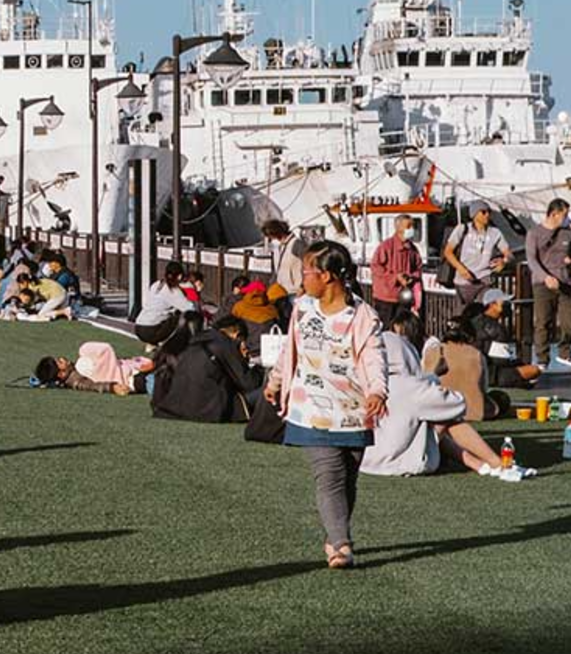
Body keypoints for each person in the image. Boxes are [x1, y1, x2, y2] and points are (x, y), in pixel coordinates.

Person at [265, 239, 389, 570]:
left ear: (329, 276)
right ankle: (342, 543)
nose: (302, 278)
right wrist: (276, 380)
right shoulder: (302, 307)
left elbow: (374, 356)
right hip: (311, 409)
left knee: (348, 477)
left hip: (353, 409)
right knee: (329, 474)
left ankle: (334, 533)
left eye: (307, 272)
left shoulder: (362, 315)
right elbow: (289, 348)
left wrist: (377, 391)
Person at [366, 312, 531, 481]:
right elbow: (458, 403)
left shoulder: (368, 384)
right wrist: (431, 380)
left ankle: (481, 465)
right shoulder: (412, 386)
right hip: (402, 461)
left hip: (370, 460)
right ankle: (497, 463)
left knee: (430, 421)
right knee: (445, 418)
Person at [150, 316, 260, 422]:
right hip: (210, 409)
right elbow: (249, 383)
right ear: (237, 334)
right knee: (265, 388)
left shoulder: (196, 340)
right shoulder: (225, 343)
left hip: (177, 406)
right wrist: (258, 368)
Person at [524, 198, 571, 368]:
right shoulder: (534, 233)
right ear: (554, 214)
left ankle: (565, 351)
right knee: (543, 322)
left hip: (564, 281)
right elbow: (531, 260)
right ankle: (542, 358)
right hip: (543, 283)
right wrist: (545, 277)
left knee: (570, 321)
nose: (567, 218)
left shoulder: (567, 233)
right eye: (564, 215)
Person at [440, 204, 511, 332]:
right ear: (474, 214)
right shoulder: (462, 229)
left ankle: (482, 342)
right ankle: (462, 342)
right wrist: (461, 268)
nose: (487, 215)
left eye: (489, 212)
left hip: (484, 280)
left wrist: (504, 261)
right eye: (483, 212)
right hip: (463, 282)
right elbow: (448, 251)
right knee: (462, 317)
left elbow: (508, 253)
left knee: (482, 315)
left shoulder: (495, 232)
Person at [468, 288, 545, 389]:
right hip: (492, 375)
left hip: (475, 370)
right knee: (534, 370)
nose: (508, 306)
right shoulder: (496, 329)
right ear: (493, 305)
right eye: (504, 303)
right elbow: (501, 361)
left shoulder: (475, 321)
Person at [37, 342, 152, 395]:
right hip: (134, 378)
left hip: (135, 375)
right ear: (61, 374)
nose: (63, 358)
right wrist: (112, 387)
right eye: (60, 362)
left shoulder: (76, 372)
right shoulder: (76, 378)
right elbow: (91, 386)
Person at [133, 262, 195, 350]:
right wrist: (190, 288)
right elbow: (190, 308)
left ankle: (152, 344)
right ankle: (173, 346)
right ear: (179, 276)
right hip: (150, 330)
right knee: (181, 317)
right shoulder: (173, 291)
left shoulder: (156, 284)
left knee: (165, 315)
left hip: (138, 326)